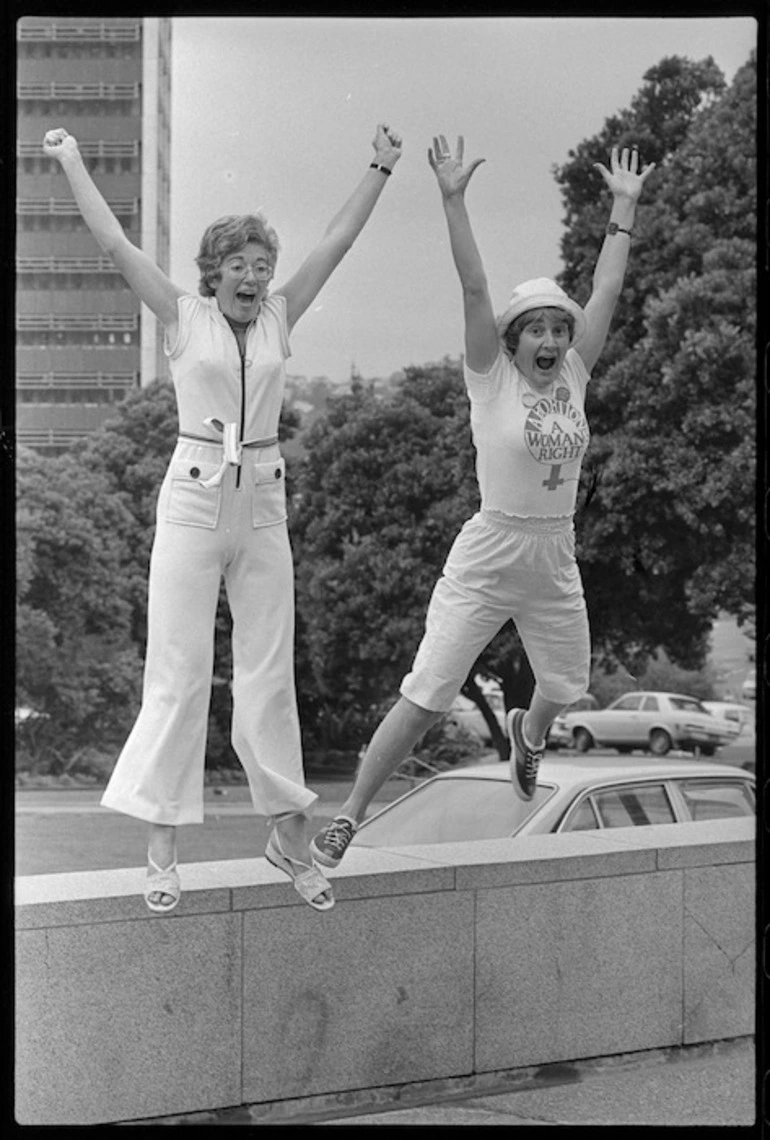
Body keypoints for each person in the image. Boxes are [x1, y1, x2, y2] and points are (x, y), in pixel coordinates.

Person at [43, 122, 403, 912]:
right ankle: (161, 849)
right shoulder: (181, 315)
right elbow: (111, 244)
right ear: (214, 274)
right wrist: (71, 159)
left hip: (264, 499)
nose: (254, 275)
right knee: (175, 674)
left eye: (263, 265)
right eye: (239, 265)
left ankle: (289, 839)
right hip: (194, 498)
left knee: (268, 677)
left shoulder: (278, 316)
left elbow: (336, 245)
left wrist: (378, 165)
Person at [311, 134, 653, 868]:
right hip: (491, 546)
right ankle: (347, 816)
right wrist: (452, 198)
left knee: (567, 683)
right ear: (514, 337)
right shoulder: (489, 376)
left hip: (553, 550)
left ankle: (528, 735)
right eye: (539, 328)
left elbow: (609, 291)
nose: (554, 338)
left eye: (561, 328)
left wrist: (623, 210)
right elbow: (473, 288)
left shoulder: (575, 376)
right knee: (428, 690)